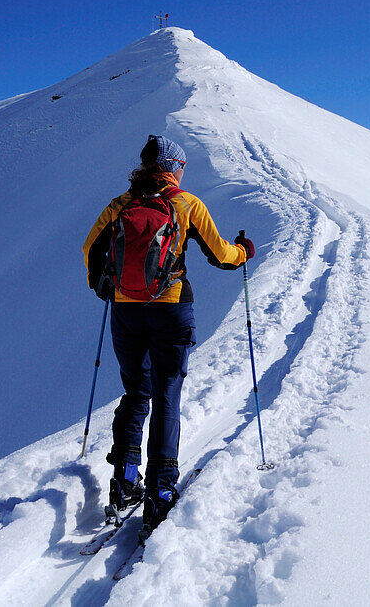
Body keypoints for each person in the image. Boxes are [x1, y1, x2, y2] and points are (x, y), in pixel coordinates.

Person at [83, 134, 255, 538]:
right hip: (172, 306)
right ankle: (160, 489)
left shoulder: (120, 206)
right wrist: (245, 250)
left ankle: (125, 479)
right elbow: (222, 256)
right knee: (167, 393)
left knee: (136, 392)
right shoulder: (186, 204)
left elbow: (91, 246)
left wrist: (105, 286)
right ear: (173, 167)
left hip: (126, 311)